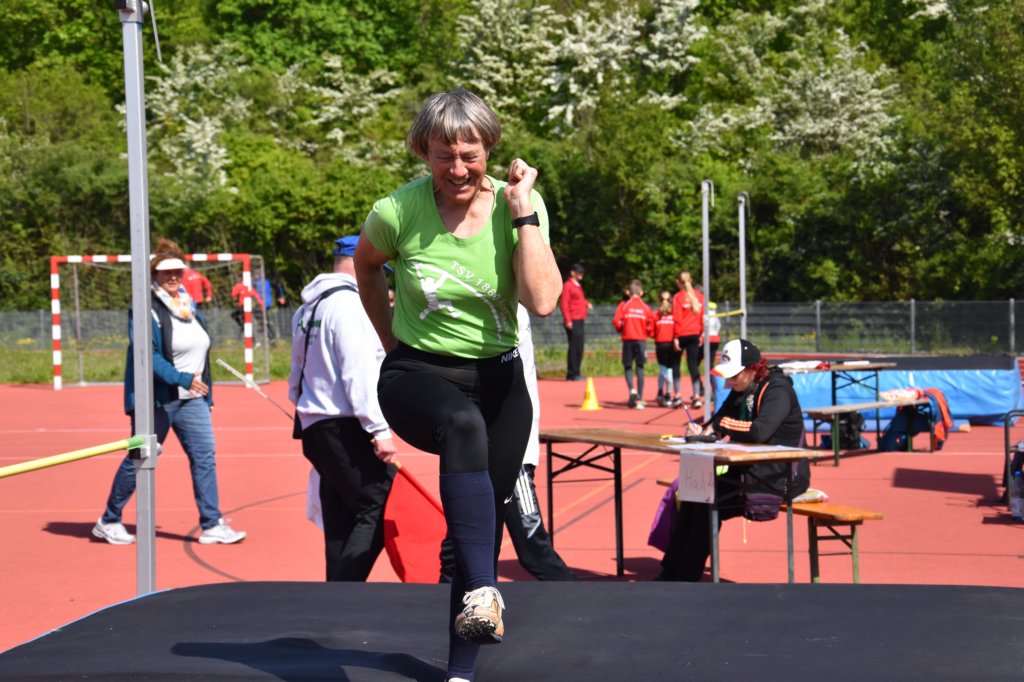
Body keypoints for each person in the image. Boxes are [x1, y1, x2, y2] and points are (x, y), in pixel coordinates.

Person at [353, 87, 561, 682]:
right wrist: (389, 338)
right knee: (463, 425)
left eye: (470, 155)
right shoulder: (396, 211)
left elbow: (543, 301)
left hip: (500, 381)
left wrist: (522, 212)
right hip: (418, 374)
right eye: (444, 156)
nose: (459, 168)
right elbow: (366, 263)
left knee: (479, 529)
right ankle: (485, 591)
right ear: (424, 152)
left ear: (489, 149)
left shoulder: (520, 205)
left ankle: (460, 671)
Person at [93, 238, 246, 546]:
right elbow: (147, 356)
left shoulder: (190, 306)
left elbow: (201, 353)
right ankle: (109, 520)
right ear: (154, 275)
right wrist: (182, 378)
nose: (173, 277)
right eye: (166, 273)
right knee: (140, 458)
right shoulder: (145, 309)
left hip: (193, 400)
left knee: (204, 457)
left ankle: (212, 523)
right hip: (157, 400)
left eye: (177, 271)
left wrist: (204, 394)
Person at [439, 305, 576, 583]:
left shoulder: (503, 312)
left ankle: (578, 600)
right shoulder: (488, 309)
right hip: (477, 449)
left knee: (532, 545)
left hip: (511, 450)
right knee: (457, 549)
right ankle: (448, 602)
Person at [288, 234, 397, 582]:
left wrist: (305, 407)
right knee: (381, 507)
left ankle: (333, 595)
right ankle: (345, 587)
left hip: (315, 424)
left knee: (339, 514)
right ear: (361, 261)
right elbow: (359, 371)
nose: (380, 279)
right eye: (378, 268)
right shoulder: (351, 306)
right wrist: (379, 429)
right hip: (346, 424)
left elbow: (296, 372)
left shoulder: (308, 308)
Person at [657, 338, 810, 581]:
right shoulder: (742, 387)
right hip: (750, 472)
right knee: (694, 494)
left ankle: (685, 576)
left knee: (706, 502)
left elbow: (759, 432)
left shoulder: (778, 390)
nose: (729, 381)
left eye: (734, 375)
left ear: (752, 369)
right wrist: (700, 431)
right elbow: (717, 420)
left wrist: (719, 426)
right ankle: (671, 570)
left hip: (781, 477)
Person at [613, 279, 654, 409]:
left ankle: (632, 390)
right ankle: (640, 399)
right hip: (641, 340)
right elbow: (650, 324)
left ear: (628, 292)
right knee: (640, 367)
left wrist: (621, 328)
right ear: (641, 293)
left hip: (628, 339)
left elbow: (616, 321)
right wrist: (648, 332)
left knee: (628, 366)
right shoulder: (645, 307)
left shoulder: (624, 305)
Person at [672, 270, 705, 409]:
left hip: (682, 334)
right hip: (695, 334)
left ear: (678, 283)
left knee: (676, 364)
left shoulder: (678, 297)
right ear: (690, 280)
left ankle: (678, 395)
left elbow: (677, 318)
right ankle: (696, 397)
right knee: (693, 365)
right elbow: (703, 318)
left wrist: (675, 336)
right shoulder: (700, 297)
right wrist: (701, 334)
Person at [560, 263, 591, 381]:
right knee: (574, 347)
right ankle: (571, 373)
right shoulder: (568, 286)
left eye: (582, 272)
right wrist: (568, 320)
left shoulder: (578, 285)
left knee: (579, 347)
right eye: (579, 272)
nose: (581, 274)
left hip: (580, 319)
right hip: (573, 320)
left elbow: (579, 300)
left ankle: (577, 371)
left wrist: (587, 304)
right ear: (573, 273)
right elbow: (564, 304)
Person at [653, 290, 678, 408]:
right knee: (669, 370)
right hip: (670, 344)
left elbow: (652, 330)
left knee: (662, 369)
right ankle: (667, 394)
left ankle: (660, 392)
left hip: (660, 344)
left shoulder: (656, 315)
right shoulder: (674, 314)